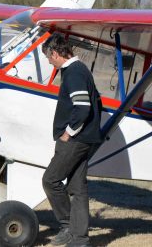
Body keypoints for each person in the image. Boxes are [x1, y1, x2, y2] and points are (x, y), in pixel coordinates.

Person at [41, 33, 103, 247]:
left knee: (50, 180)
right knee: (77, 188)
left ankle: (68, 226)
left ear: (56, 53)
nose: (49, 62)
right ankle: (80, 240)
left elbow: (83, 107)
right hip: (85, 139)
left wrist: (68, 133)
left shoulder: (74, 72)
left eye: (49, 58)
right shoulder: (78, 70)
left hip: (76, 140)